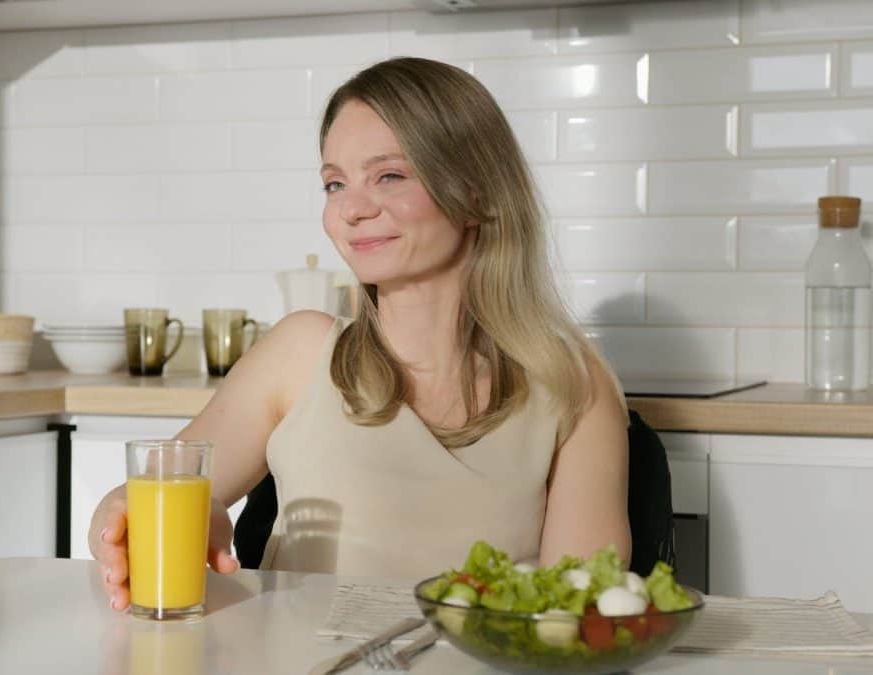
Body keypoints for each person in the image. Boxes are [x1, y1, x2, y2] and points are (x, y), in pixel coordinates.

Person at [90, 57, 630, 612]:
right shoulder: (300, 353)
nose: (351, 209)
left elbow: (581, 611)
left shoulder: (572, 385)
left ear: (477, 191)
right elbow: (132, 504)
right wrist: (127, 526)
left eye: (389, 176)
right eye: (334, 183)